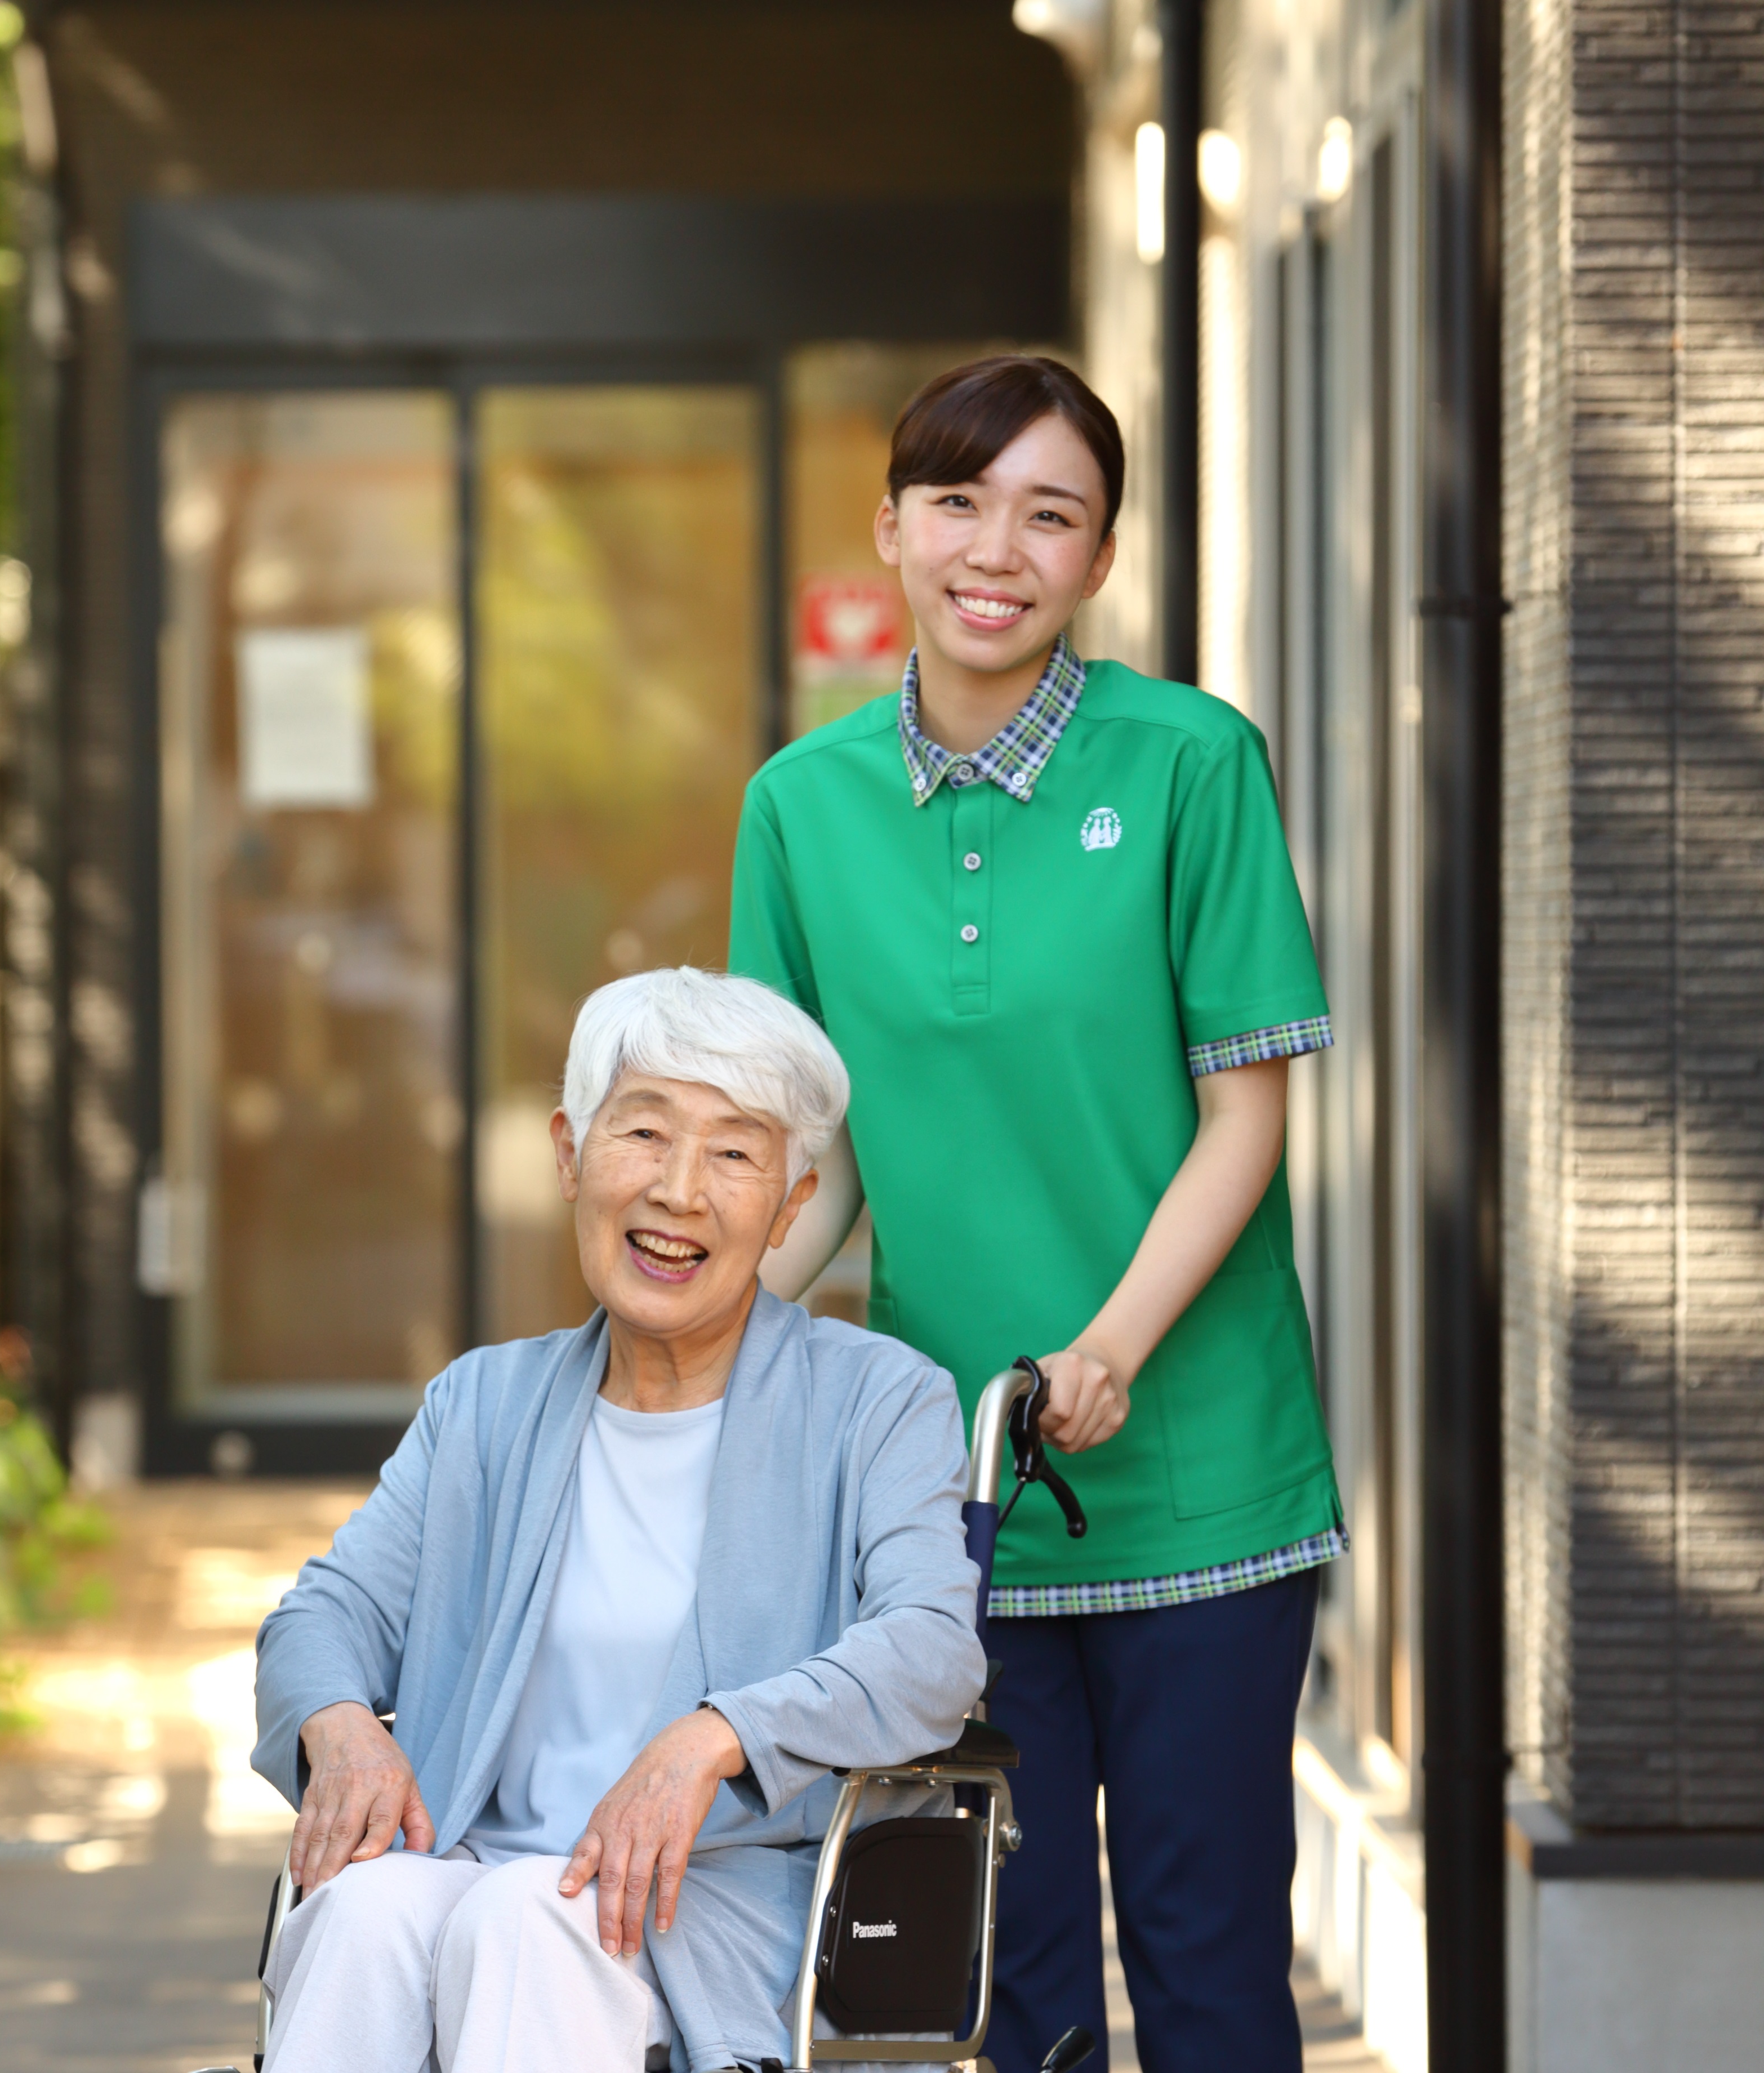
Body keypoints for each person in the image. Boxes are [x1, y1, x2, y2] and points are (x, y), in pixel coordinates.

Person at [730, 354, 1339, 2073]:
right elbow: (819, 1148)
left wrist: (1109, 1347)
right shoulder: (800, 805)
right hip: (948, 1492)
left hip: (1198, 1472)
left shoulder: (1191, 764)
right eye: (958, 502)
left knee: (1209, 1955)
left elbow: (1247, 1114)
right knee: (999, 1976)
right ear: (894, 527)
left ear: (1100, 556)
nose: (996, 547)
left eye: (1048, 514)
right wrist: (722, 1334)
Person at [250, 966, 986, 2073]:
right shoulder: (483, 1402)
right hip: (477, 1862)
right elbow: (328, 1610)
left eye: (735, 1152)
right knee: (360, 1910)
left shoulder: (876, 1400)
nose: (679, 1190)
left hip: (719, 1905)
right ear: (568, 1153)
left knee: (520, 1919)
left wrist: (714, 1733)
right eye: (643, 1131)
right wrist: (341, 1722)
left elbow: (933, 1648)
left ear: (791, 1203)